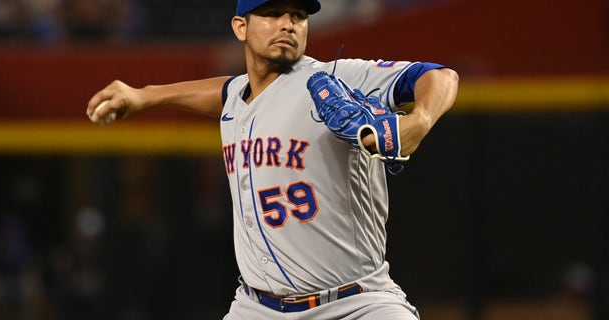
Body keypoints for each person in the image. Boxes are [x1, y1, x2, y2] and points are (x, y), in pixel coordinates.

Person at [86, 0, 459, 319]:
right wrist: (146, 95)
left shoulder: (334, 77)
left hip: (355, 303)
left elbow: (440, 76)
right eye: (272, 13)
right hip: (257, 307)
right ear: (241, 27)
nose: (287, 24)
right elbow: (222, 91)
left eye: (298, 15)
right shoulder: (237, 96)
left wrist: (418, 120)